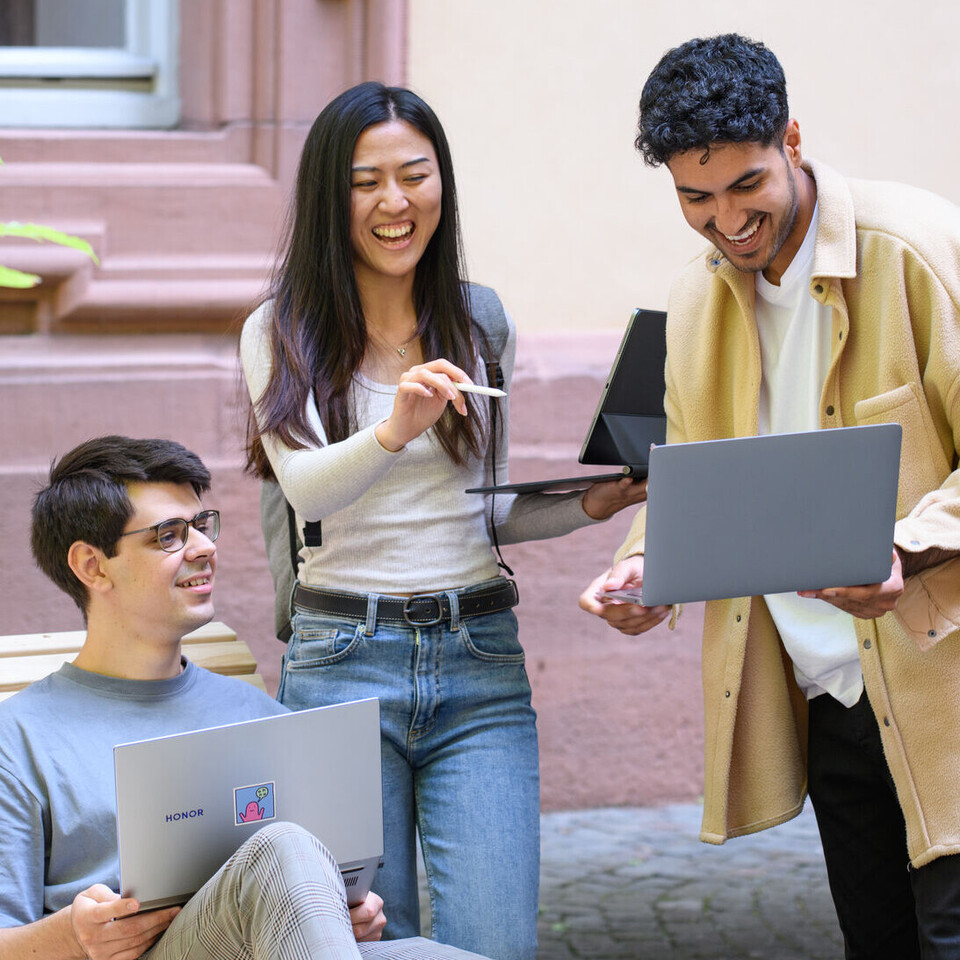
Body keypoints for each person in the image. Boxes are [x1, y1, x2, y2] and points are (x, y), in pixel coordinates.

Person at [241, 81, 645, 959]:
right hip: (341, 664)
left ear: (441, 185)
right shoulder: (283, 328)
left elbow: (484, 511)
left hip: (479, 660)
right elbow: (306, 487)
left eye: (414, 175)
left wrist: (593, 502)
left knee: (495, 944)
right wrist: (394, 428)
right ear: (329, 197)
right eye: (366, 182)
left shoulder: (479, 316)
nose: (395, 203)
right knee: (368, 944)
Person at [580, 33, 960, 960]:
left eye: (745, 185)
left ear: (792, 139)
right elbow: (694, 482)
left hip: (942, 683)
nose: (725, 221)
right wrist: (639, 569)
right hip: (827, 694)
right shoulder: (696, 304)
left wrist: (905, 552)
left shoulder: (913, 249)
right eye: (694, 198)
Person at [0, 434, 491, 960]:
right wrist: (76, 933)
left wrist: (333, 909)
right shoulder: (20, 737)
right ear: (92, 566)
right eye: (168, 535)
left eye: (202, 525)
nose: (205, 547)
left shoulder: (255, 715)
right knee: (282, 846)